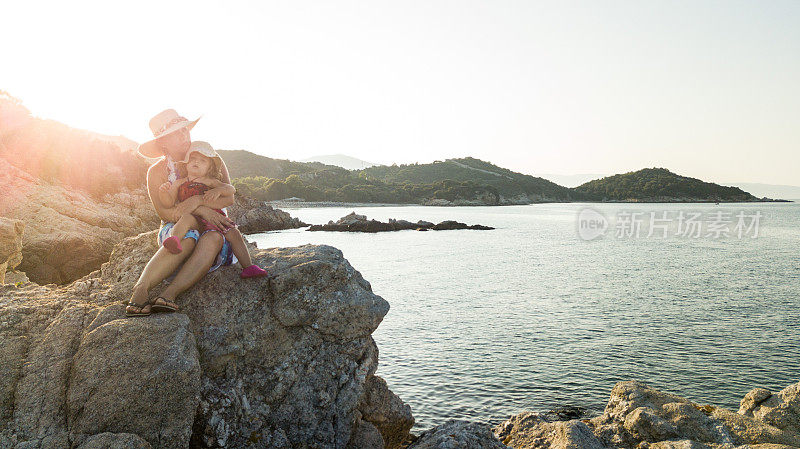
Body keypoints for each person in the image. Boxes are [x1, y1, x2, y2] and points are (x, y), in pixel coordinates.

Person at [126, 109, 238, 317]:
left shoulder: (212, 160)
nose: (184, 136)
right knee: (186, 238)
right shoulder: (157, 172)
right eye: (176, 133)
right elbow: (164, 212)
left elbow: (229, 197)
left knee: (213, 239)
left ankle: (168, 295)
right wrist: (200, 208)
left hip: (212, 224)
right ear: (163, 143)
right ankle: (140, 288)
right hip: (177, 227)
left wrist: (197, 202)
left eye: (185, 130)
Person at [158, 140, 268, 278]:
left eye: (202, 161)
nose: (196, 162)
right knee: (184, 220)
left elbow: (231, 190)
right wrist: (163, 193)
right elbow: (168, 202)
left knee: (234, 233)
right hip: (193, 218)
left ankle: (248, 267)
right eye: (193, 159)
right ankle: (174, 240)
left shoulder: (209, 181)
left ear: (209, 168)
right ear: (186, 164)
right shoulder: (180, 183)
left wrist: (219, 190)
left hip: (213, 218)